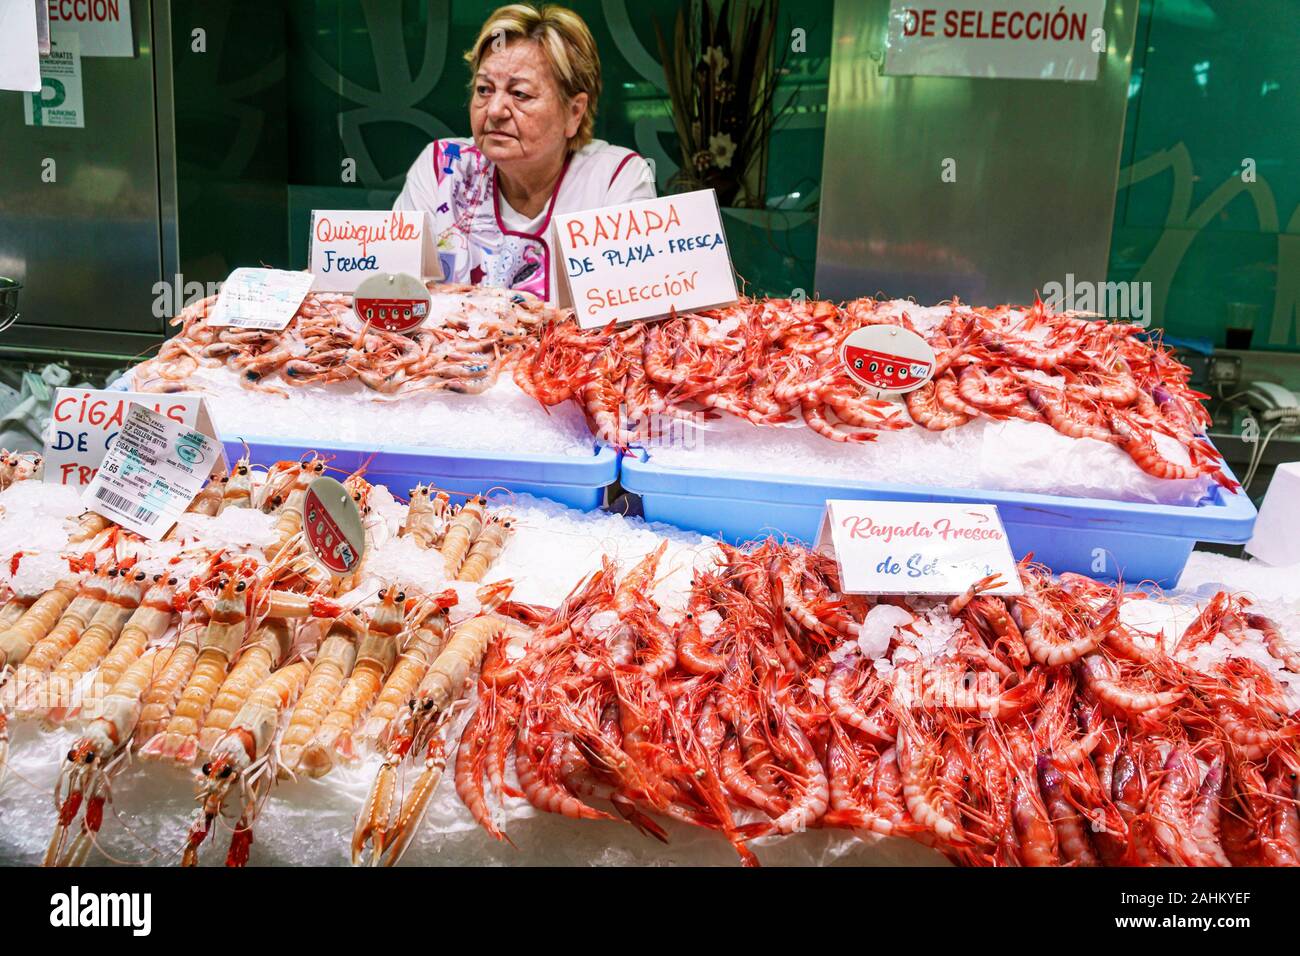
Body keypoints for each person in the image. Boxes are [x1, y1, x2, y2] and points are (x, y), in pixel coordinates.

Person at [394, 3, 655, 302]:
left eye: (520, 94)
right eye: (484, 89)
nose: (494, 110)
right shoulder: (442, 168)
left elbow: (628, 321)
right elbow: (394, 297)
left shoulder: (615, 181)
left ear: (574, 112)